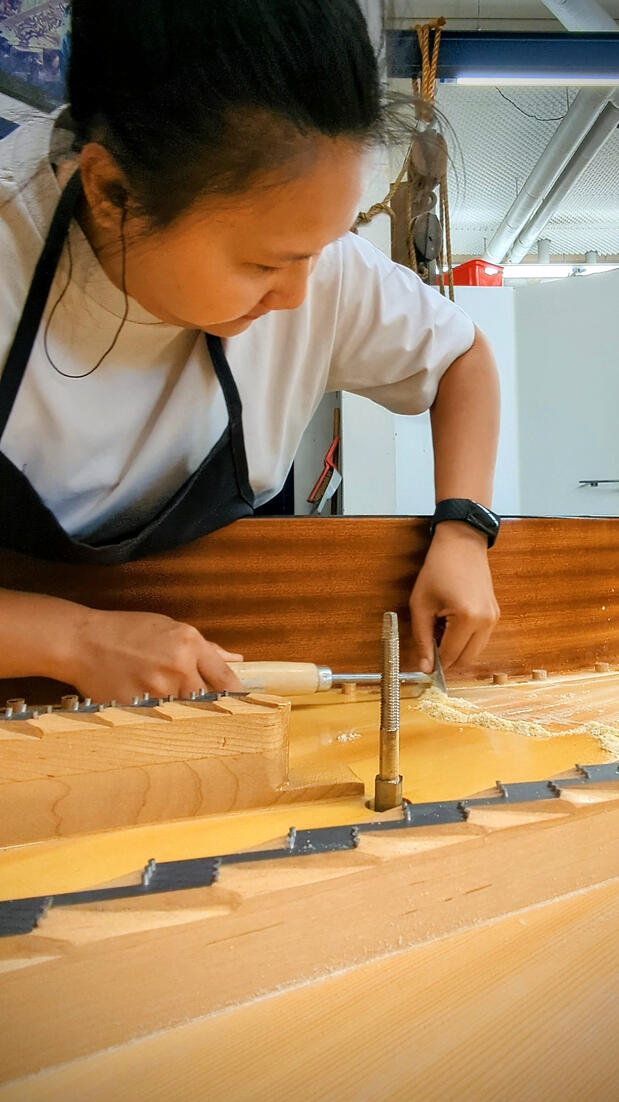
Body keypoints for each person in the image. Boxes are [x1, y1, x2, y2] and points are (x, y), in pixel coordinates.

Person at [0, 0, 500, 705]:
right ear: (110, 191)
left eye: (320, 250)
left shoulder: (320, 272)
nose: (299, 296)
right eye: (263, 265)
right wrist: (70, 638)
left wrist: (463, 528)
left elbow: (461, 359)